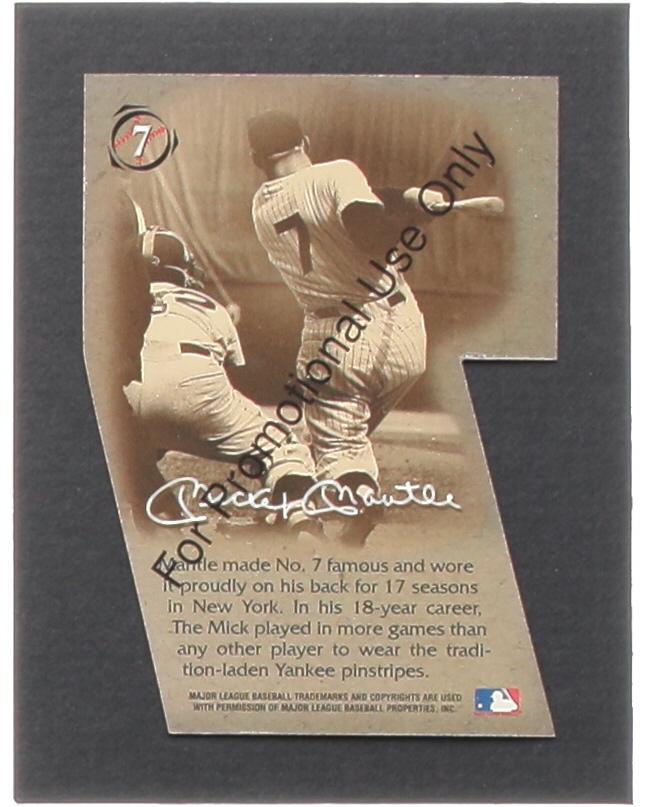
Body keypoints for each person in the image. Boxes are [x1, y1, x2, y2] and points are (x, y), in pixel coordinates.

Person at [247, 110, 442, 545]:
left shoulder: (260, 205)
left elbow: (349, 203)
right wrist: (418, 217)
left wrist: (409, 197)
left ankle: (333, 507)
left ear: (256, 158)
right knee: (341, 439)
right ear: (305, 141)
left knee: (336, 444)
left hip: (334, 337)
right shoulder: (339, 173)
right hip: (401, 329)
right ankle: (324, 508)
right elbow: (373, 232)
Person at [123, 223, 319, 536]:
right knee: (281, 447)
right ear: (181, 268)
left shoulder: (116, 303)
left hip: (128, 387)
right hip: (195, 379)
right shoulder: (207, 304)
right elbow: (232, 365)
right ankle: (301, 521)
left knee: (126, 456)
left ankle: (163, 519)